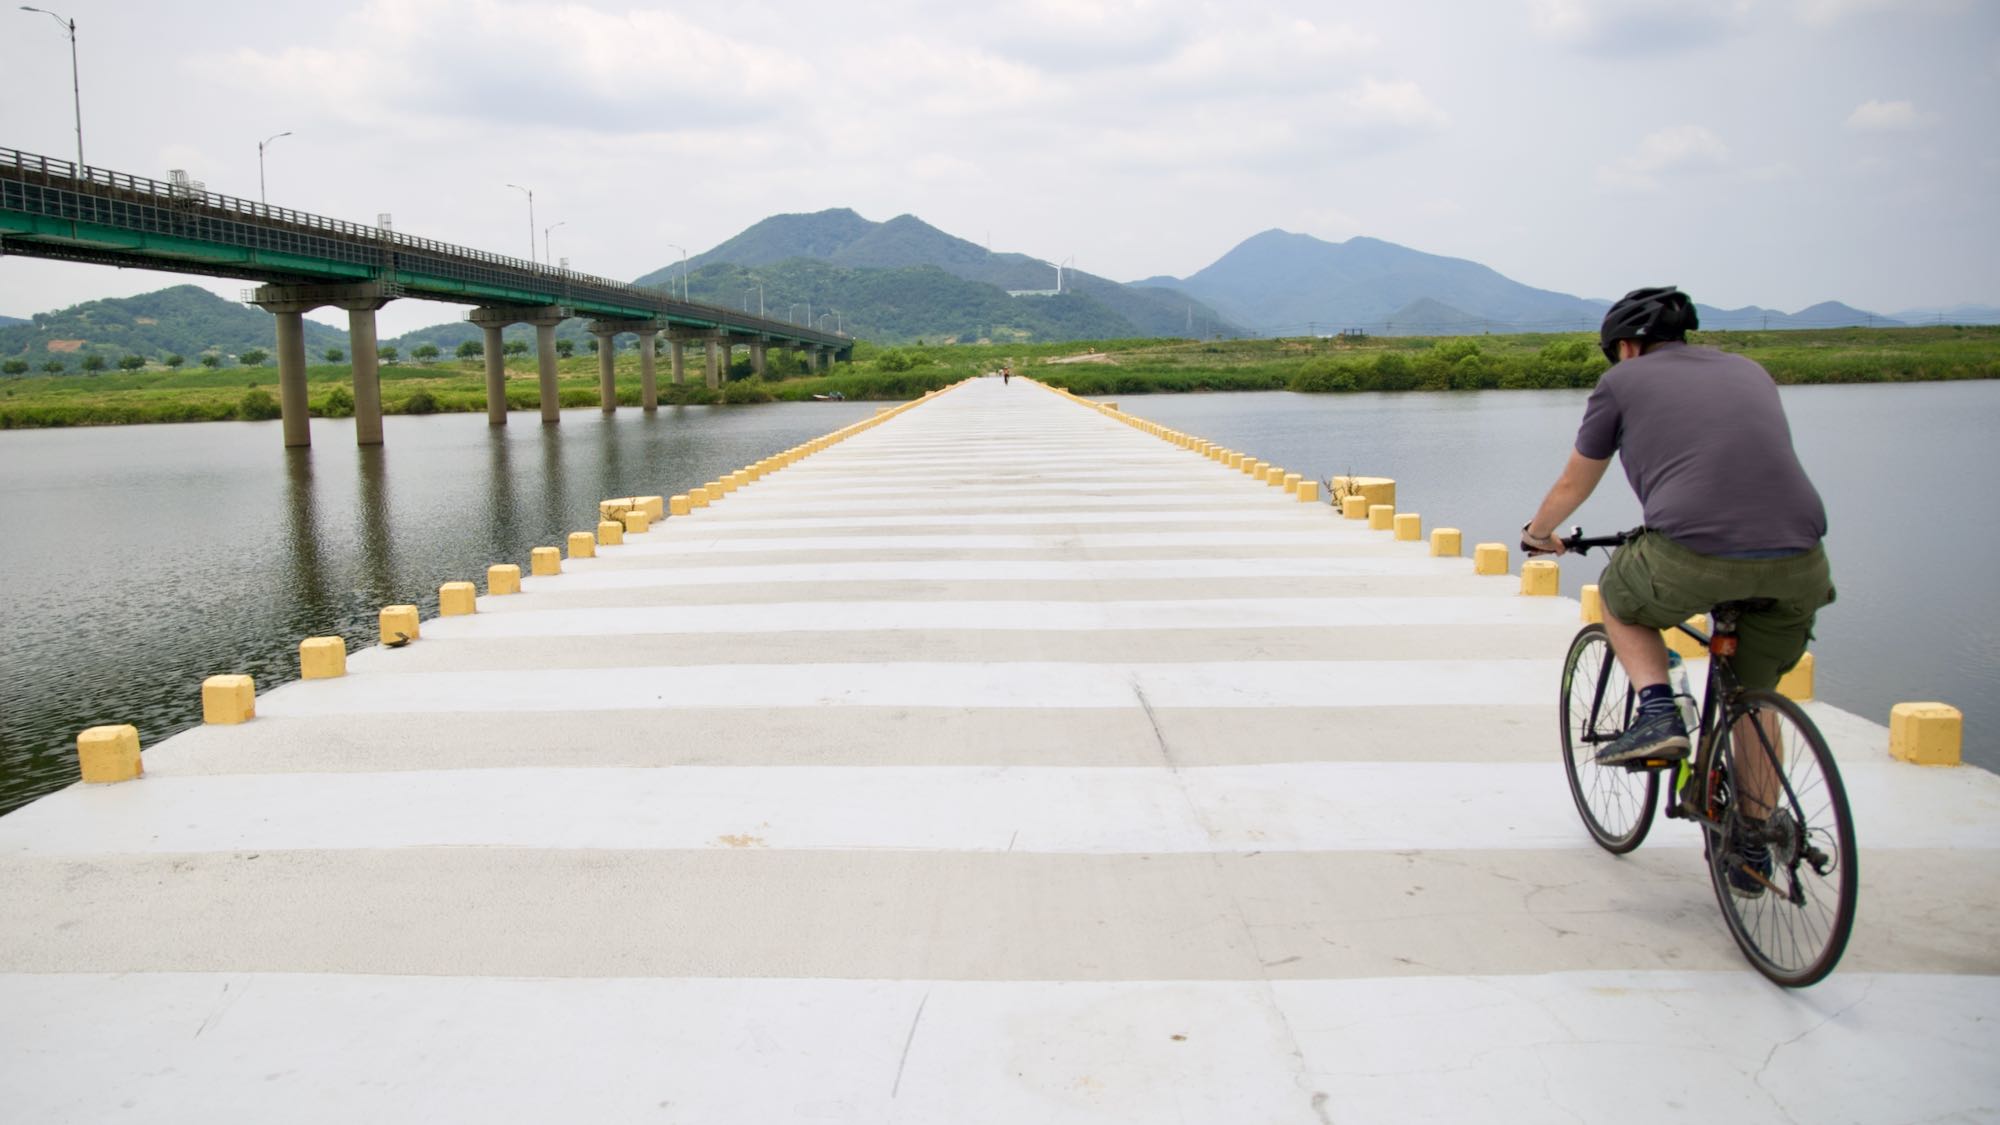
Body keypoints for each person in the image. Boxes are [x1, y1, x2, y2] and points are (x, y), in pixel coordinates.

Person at [1522, 287, 1834, 892]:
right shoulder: (1749, 370)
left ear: (1628, 346)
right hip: (1802, 556)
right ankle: (1750, 846)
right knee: (1754, 692)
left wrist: (1539, 536)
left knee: (1619, 594)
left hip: (1695, 549)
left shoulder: (1622, 383)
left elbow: (1573, 482)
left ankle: (1659, 713)